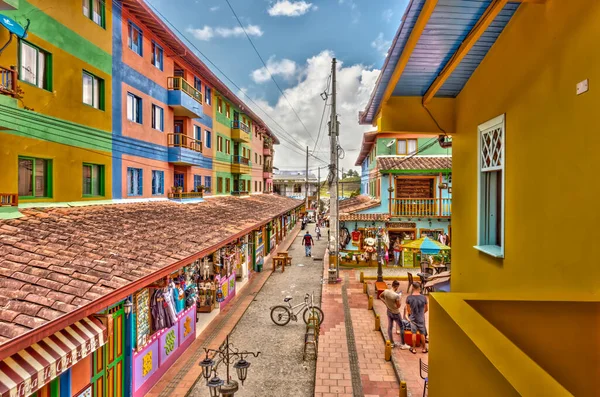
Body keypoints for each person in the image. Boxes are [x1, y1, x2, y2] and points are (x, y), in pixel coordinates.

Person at [379, 280, 410, 349]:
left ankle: (392, 343)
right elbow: (398, 306)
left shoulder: (386, 291)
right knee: (401, 327)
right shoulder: (396, 296)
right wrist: (400, 297)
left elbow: (380, 296)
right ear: (396, 287)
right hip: (396, 313)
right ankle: (403, 344)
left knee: (390, 327)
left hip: (389, 311)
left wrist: (386, 303)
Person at [406, 282, 429, 354]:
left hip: (413, 318)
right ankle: (424, 348)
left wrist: (411, 315)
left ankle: (414, 349)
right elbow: (426, 309)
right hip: (421, 318)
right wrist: (422, 314)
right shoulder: (424, 297)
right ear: (419, 288)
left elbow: (408, 310)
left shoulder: (409, 298)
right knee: (422, 333)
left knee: (414, 333)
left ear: (412, 287)